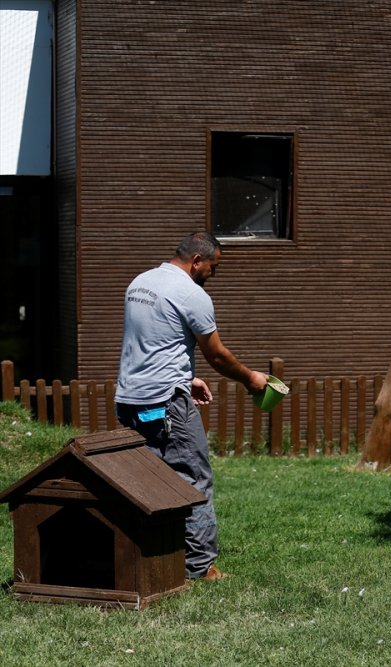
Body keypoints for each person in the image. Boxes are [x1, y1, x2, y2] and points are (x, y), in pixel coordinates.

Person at [115, 231, 268, 581]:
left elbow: (152, 341)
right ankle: (198, 567)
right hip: (166, 405)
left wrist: (185, 377)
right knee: (194, 480)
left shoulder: (140, 283)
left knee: (144, 482)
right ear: (197, 262)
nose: (214, 274)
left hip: (129, 400)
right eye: (213, 267)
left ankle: (144, 557)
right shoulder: (191, 293)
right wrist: (250, 379)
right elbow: (216, 354)